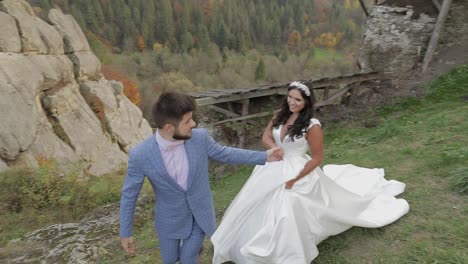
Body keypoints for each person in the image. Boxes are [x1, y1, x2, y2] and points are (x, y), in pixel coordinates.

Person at [211, 81, 410, 264]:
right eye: (290, 97)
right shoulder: (280, 114)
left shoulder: (312, 125)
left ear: (306, 102)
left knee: (288, 203)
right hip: (272, 165)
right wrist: (273, 147)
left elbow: (317, 158)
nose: (292, 102)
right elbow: (265, 137)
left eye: (298, 99)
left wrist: (294, 178)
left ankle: (285, 250)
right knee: (255, 201)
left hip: (298, 169)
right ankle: (245, 241)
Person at [119, 92, 282, 264]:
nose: (194, 124)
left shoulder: (200, 138)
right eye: (187, 121)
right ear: (169, 127)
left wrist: (264, 156)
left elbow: (226, 154)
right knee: (169, 259)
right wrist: (125, 233)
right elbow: (129, 195)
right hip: (169, 220)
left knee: (188, 259)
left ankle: (194, 251)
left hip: (200, 214)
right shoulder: (140, 155)